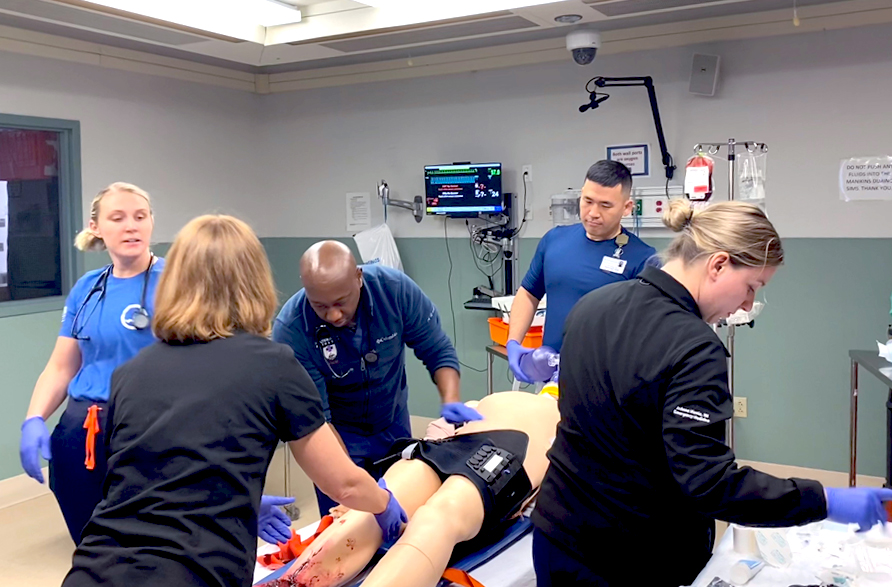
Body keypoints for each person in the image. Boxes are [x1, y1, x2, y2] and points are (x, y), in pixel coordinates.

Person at [531, 199, 892, 587]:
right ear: (718, 265)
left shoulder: (592, 306)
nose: (749, 305)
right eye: (752, 287)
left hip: (557, 535)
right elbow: (708, 483)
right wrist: (824, 500)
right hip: (628, 557)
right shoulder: (693, 345)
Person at [61, 215, 407, 587]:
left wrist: (238, 498)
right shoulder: (273, 365)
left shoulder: (131, 373)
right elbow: (344, 485)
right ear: (255, 283)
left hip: (93, 569)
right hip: (193, 572)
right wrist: (385, 504)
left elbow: (138, 482)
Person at [258, 388, 561, 587]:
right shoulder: (568, 415)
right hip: (494, 451)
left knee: (407, 512)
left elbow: (442, 425)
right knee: (425, 517)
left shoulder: (509, 399)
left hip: (454, 445)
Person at [273, 241, 479, 515]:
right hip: (337, 435)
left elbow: (437, 349)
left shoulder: (394, 291)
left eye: (341, 302)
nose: (333, 315)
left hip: (392, 421)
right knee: (346, 529)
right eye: (320, 306)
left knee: (404, 512)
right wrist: (348, 489)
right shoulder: (292, 330)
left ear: (359, 277)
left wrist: (451, 401)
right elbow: (319, 420)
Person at [18, 182, 164, 544]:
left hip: (148, 430)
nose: (131, 226)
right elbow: (61, 367)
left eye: (140, 217)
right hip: (80, 431)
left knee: (147, 542)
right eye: (118, 218)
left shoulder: (177, 283)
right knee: (91, 542)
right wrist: (33, 418)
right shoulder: (88, 287)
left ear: (151, 223)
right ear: (96, 227)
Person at [506, 160, 657, 382]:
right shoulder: (554, 240)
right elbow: (529, 293)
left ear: (626, 208)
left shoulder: (643, 258)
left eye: (605, 205)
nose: (593, 213)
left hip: (606, 384)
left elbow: (646, 333)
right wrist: (513, 343)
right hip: (551, 376)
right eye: (587, 201)